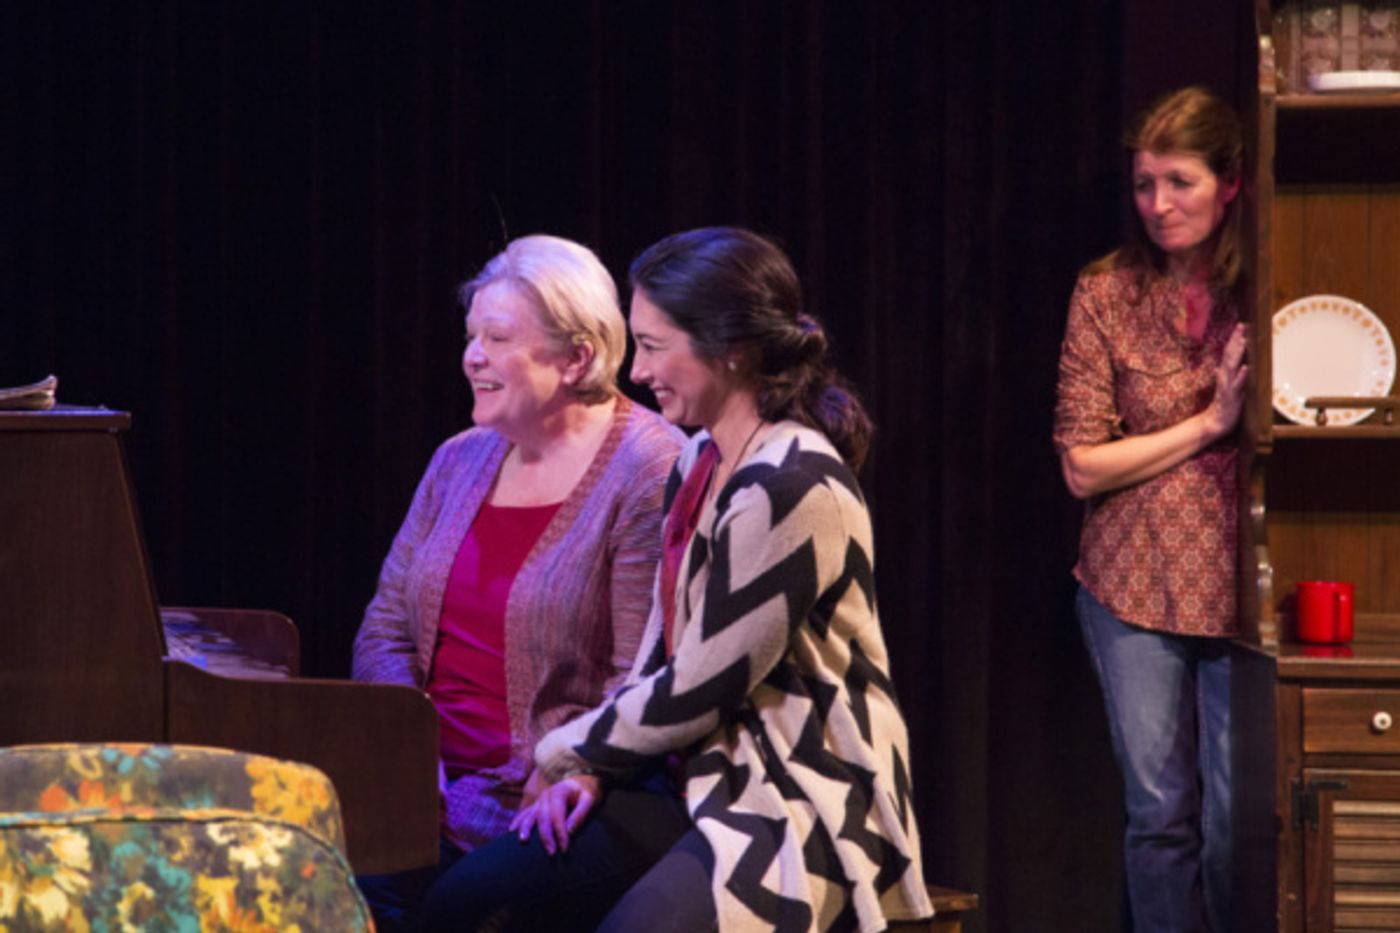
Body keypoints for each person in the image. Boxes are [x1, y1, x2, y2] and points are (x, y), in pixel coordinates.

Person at [419, 226, 933, 933]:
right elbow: (656, 655)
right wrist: (595, 771)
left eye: (655, 347)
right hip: (686, 773)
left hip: (789, 789)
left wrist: (564, 750)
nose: (637, 370)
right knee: (466, 899)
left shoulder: (794, 483)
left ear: (731, 349)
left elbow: (702, 682)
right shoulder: (697, 461)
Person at [351, 234, 684, 931]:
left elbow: (643, 666)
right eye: (471, 335)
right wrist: (406, 755)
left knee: (463, 907)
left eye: (497, 337)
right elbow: (385, 625)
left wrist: (569, 761)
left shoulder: (649, 467)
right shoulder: (459, 459)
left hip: (574, 784)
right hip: (428, 784)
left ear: (577, 357)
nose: (472, 356)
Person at [1054, 86, 1248, 933]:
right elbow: (1083, 465)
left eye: (1180, 182)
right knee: (1160, 816)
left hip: (1245, 586)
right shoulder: (1107, 294)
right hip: (1132, 584)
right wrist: (1210, 423)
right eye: (1144, 184)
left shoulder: (1268, 282)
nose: (1159, 204)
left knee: (1237, 824)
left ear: (1230, 184)